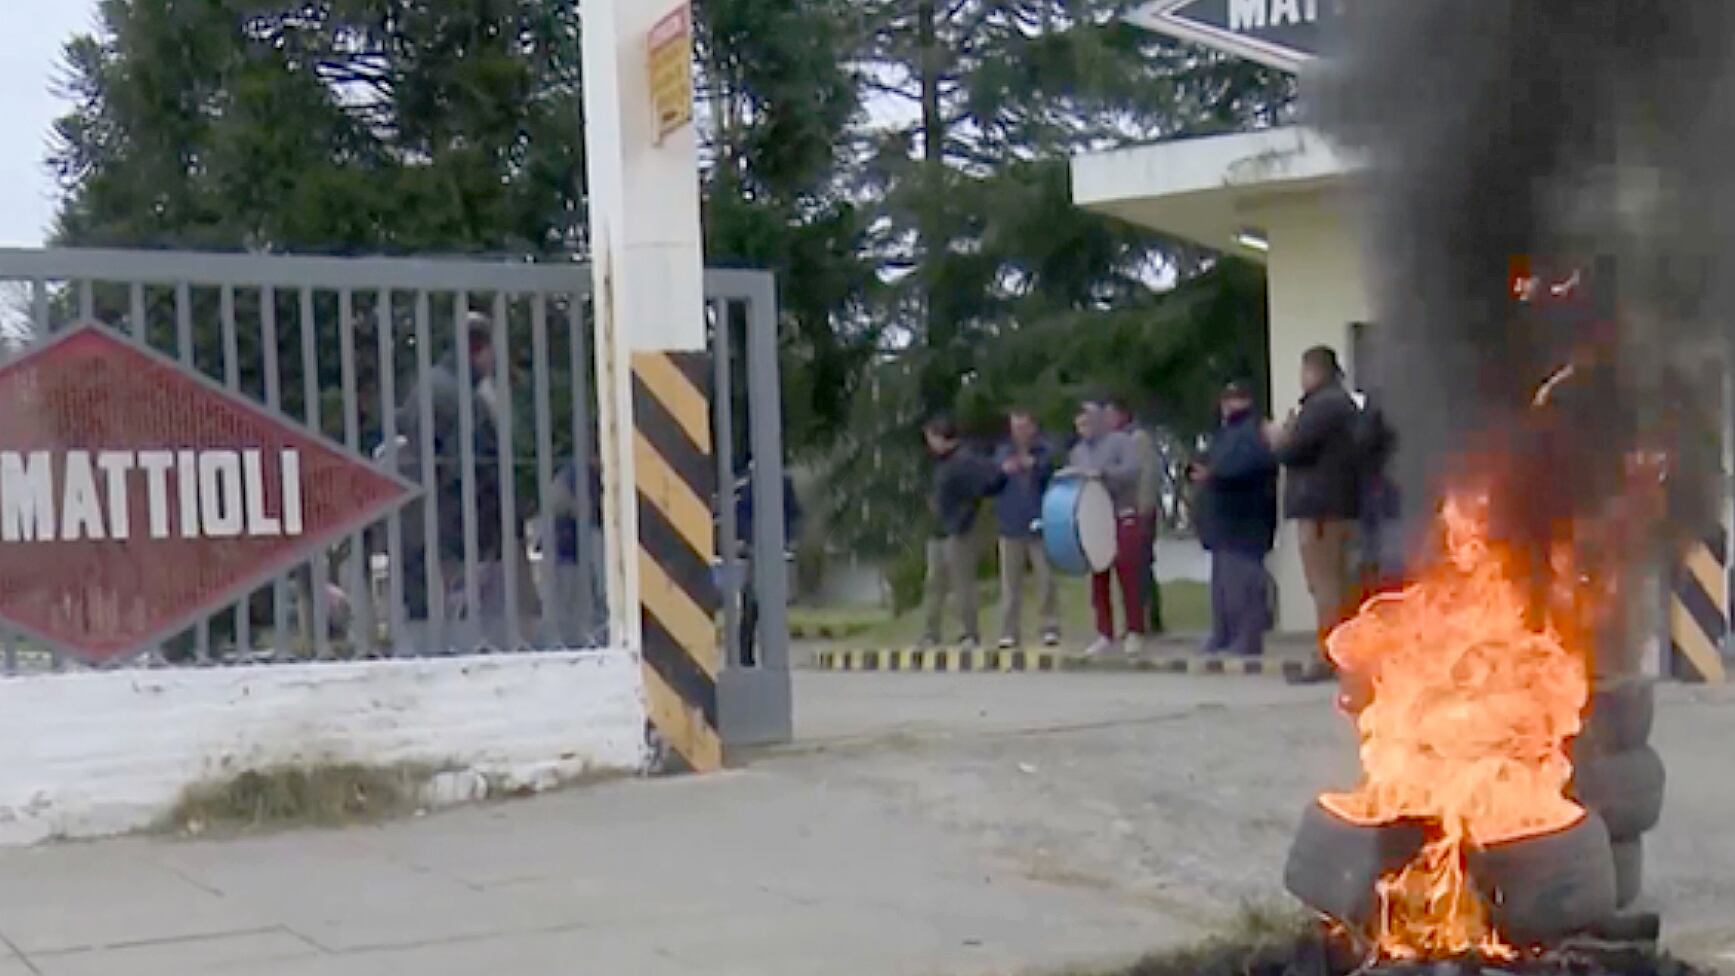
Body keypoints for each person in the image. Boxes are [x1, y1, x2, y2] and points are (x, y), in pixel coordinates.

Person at [393, 314, 505, 639]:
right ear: (479, 350)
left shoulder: (425, 387)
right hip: (455, 531)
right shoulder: (465, 399)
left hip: (415, 525)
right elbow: (475, 470)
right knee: (463, 624)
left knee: (423, 620)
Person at [1267, 346, 1363, 661]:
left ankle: (1330, 652)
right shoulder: (1344, 404)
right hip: (1342, 505)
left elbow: (1293, 451)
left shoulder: (1321, 406)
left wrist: (1279, 436)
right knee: (1339, 582)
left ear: (1314, 371)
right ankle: (1345, 650)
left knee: (1325, 584)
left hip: (1320, 509)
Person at [1192, 381, 1279, 658]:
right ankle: (1223, 634)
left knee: (1244, 585)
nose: (1228, 404)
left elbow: (1251, 465)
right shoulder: (1224, 433)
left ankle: (1247, 639)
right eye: (1226, 398)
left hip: (1246, 520)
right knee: (1223, 584)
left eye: (1235, 398)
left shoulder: (1253, 431)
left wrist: (1214, 474)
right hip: (1224, 521)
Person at [1068, 399, 1145, 656]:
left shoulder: (1121, 441)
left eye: (1088, 423)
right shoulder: (1078, 452)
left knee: (1128, 575)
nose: (1084, 429)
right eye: (1080, 425)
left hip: (1122, 513)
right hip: (1094, 519)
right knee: (1098, 577)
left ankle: (1134, 630)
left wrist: (1104, 473)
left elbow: (1133, 470)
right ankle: (1104, 632)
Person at [920, 416, 1000, 649]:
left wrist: (965, 512)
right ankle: (931, 633)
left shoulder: (965, 460)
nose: (929, 444)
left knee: (962, 582)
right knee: (934, 584)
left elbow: (985, 485)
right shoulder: (940, 463)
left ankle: (969, 632)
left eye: (931, 438)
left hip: (959, 529)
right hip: (939, 529)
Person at [992, 409, 1059, 649]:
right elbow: (990, 482)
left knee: (1045, 578)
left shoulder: (1045, 450)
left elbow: (1053, 476)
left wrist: (1035, 466)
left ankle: (1049, 627)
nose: (1019, 433)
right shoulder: (1002, 452)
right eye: (1015, 428)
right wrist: (1002, 471)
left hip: (1040, 521)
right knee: (1010, 583)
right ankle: (1009, 631)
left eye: (1023, 427)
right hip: (1010, 524)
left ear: (1033, 427)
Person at [732, 459, 802, 666]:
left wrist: (788, 539)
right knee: (751, 606)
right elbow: (741, 516)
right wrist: (749, 539)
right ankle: (746, 656)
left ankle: (772, 655)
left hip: (777, 548)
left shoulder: (783, 484)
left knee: (773, 605)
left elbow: (794, 514)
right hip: (755, 549)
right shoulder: (751, 486)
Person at [1108, 398, 1165, 635]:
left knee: (1141, 565)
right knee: (1129, 566)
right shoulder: (1114, 441)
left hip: (1140, 511)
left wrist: (1144, 508)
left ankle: (1148, 617)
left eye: (1111, 414)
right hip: (1123, 512)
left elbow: (1148, 475)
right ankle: (1134, 617)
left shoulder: (1137, 439)